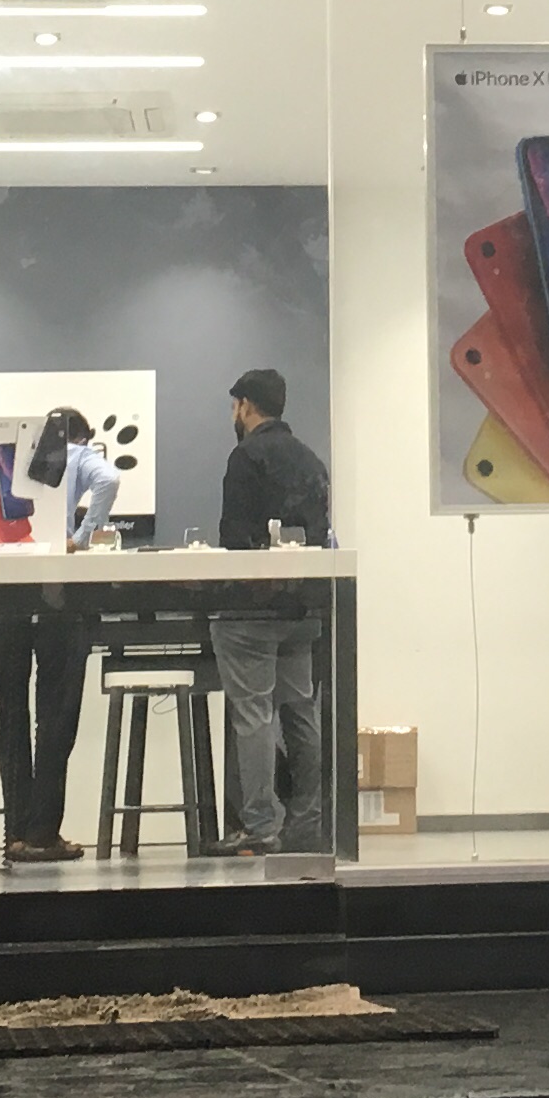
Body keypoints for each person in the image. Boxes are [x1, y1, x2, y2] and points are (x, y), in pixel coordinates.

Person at [0, 406, 121, 864]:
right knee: (55, 717)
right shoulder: (78, 453)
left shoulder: (3, 459)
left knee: (11, 715)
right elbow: (109, 480)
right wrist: (81, 538)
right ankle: (42, 833)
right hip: (56, 600)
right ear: (82, 437)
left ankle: (15, 833)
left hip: (6, 598)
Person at [210, 366, 330, 857]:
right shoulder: (310, 459)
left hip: (251, 614)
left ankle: (260, 825)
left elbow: (234, 540)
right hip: (302, 610)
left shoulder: (245, 457)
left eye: (234, 406)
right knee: (300, 711)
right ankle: (307, 823)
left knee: (254, 713)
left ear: (245, 406)